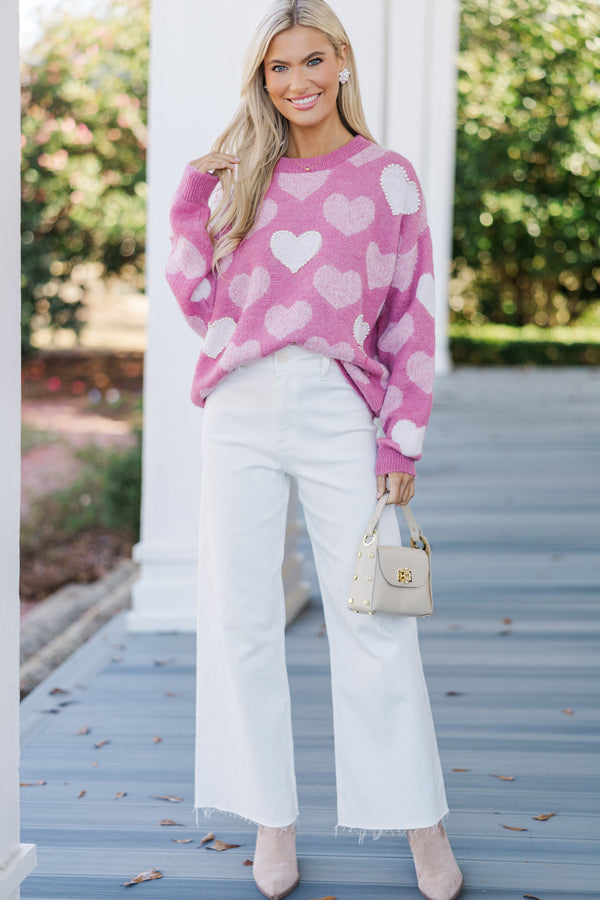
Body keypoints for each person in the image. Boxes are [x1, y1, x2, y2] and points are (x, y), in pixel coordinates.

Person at [166, 2, 463, 898]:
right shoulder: (239, 179)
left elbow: (411, 318)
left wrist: (401, 442)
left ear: (340, 63)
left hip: (339, 405)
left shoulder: (388, 179)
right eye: (276, 69)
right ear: (263, 79)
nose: (295, 83)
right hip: (241, 407)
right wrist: (190, 198)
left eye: (310, 61)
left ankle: (423, 827)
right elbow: (200, 304)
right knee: (240, 617)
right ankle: (272, 824)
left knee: (372, 619)